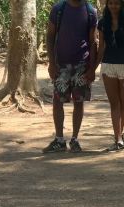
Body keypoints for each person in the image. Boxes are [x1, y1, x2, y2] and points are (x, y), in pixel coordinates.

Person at [43, 0, 98, 153]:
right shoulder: (58, 9)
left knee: (79, 101)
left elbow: (93, 41)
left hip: (82, 65)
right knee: (57, 101)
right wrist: (52, 63)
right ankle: (59, 140)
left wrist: (92, 68)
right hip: (61, 64)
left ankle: (75, 139)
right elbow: (50, 36)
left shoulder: (90, 11)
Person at [96, 0, 124, 151]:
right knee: (114, 103)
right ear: (107, 5)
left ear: (122, 5)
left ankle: (120, 134)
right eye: (111, 3)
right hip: (108, 66)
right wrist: (92, 69)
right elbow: (101, 48)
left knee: (123, 102)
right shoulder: (102, 23)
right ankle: (118, 138)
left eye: (117, 3)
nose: (114, 6)